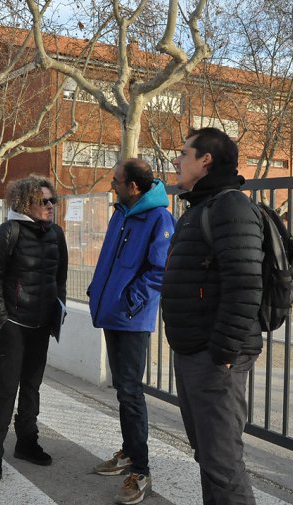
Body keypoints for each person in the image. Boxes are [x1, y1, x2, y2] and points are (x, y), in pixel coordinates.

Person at [162, 127, 263, 505]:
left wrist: (221, 354)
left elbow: (245, 284)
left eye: (183, 153)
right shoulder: (201, 208)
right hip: (193, 351)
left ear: (205, 159)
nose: (176, 160)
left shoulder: (229, 206)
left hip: (213, 358)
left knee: (222, 462)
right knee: (208, 456)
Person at [87, 158, 175, 504]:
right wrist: (99, 291)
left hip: (132, 318)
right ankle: (127, 451)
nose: (112, 185)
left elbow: (160, 270)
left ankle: (141, 468)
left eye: (116, 181)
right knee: (123, 390)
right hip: (112, 313)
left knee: (131, 392)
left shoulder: (158, 218)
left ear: (133, 187)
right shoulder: (121, 212)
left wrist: (129, 301)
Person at [0, 174, 68, 482]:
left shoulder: (56, 234)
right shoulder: (8, 232)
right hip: (14, 325)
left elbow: (59, 277)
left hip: (42, 325)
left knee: (32, 387)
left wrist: (59, 309)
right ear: (24, 203)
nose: (49, 206)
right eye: (42, 201)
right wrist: (1, 320)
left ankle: (27, 442)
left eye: (51, 200)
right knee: (6, 390)